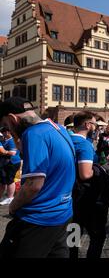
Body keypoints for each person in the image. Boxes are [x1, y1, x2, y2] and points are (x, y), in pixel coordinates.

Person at [0, 97, 75, 258]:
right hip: (63, 212)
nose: (7, 130)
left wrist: (13, 205)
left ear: (13, 118)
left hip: (39, 217)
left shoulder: (34, 134)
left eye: (6, 125)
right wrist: (16, 135)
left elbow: (34, 184)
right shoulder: (58, 128)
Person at [69, 111, 109, 258]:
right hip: (86, 196)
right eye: (94, 124)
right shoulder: (84, 145)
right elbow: (85, 174)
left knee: (73, 234)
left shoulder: (66, 139)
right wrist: (100, 170)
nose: (96, 127)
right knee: (97, 235)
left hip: (70, 195)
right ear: (87, 125)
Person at [0, 127, 21, 206]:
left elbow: (12, 153)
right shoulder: (7, 140)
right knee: (7, 180)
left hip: (13, 162)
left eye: (4, 132)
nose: (3, 134)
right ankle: (8, 197)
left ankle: (10, 197)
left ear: (8, 132)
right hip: (9, 162)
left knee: (10, 180)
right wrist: (6, 152)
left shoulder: (12, 140)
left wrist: (5, 152)